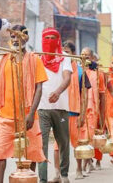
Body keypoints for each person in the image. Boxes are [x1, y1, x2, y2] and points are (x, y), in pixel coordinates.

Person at [0, 25, 47, 183]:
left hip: (29, 117)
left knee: (32, 153)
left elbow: (39, 89)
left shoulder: (34, 59)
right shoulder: (4, 60)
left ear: (26, 38)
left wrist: (31, 115)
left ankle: (29, 180)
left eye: (18, 37)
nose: (16, 40)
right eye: (13, 37)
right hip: (6, 116)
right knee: (0, 154)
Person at [38, 28, 72, 183]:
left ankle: (63, 174)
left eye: (53, 38)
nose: (50, 41)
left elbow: (67, 78)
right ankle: (43, 179)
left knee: (63, 142)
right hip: (42, 108)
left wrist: (58, 92)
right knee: (42, 145)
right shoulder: (38, 58)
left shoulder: (64, 57)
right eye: (47, 38)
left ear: (58, 40)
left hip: (61, 107)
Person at [51, 41, 83, 181]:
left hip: (75, 112)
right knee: (58, 145)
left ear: (73, 54)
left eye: (67, 53)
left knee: (77, 144)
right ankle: (57, 173)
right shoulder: (56, 68)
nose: (65, 55)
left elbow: (85, 93)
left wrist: (83, 113)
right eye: (63, 53)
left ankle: (79, 169)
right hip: (60, 110)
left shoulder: (81, 70)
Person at [80, 48, 106, 172]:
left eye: (87, 55)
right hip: (80, 108)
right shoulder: (78, 71)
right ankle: (87, 160)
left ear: (92, 58)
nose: (84, 57)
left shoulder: (98, 74)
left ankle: (97, 160)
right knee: (84, 136)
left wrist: (102, 113)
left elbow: (102, 95)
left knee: (95, 135)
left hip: (94, 110)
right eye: (82, 55)